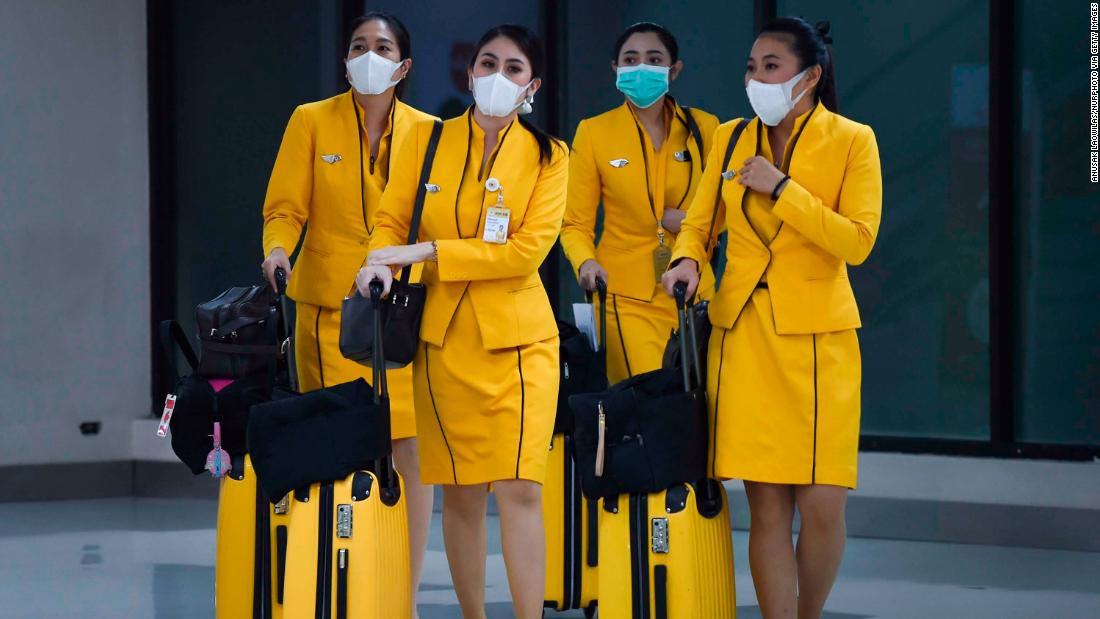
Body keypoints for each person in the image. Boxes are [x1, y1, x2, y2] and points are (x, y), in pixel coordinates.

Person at [661, 18, 882, 619]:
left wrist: (783, 188)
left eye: (770, 66)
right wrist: (685, 262)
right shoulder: (733, 139)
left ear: (810, 75)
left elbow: (857, 242)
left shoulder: (852, 139)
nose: (755, 78)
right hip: (745, 337)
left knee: (824, 505)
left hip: (820, 343)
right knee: (767, 508)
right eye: (751, 67)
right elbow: (701, 225)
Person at [355, 24, 567, 619]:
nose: (498, 76)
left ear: (533, 86)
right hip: (442, 343)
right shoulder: (426, 142)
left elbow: (526, 251)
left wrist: (429, 255)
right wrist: (378, 261)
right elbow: (391, 222)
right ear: (469, 72)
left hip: (520, 346)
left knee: (523, 489)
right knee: (463, 496)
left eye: (514, 68)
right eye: (487, 63)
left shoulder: (551, 156)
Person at [258, 12, 437, 614]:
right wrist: (278, 250)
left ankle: (399, 598)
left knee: (408, 454)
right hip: (325, 315)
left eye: (381, 47)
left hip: (399, 319)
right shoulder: (311, 121)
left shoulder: (432, 132)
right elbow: (284, 207)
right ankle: (335, 591)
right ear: (345, 61)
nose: (368, 56)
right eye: (358, 46)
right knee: (335, 450)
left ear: (404, 66)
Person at [560, 22, 721, 384]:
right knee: (647, 411)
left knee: (702, 410)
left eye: (654, 58)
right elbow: (574, 225)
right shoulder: (594, 132)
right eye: (631, 59)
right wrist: (585, 261)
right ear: (616, 69)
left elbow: (726, 209)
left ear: (673, 70)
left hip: (695, 292)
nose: (641, 67)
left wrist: (689, 222)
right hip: (625, 297)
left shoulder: (705, 128)